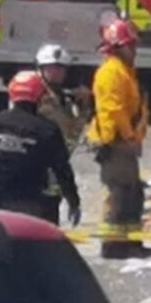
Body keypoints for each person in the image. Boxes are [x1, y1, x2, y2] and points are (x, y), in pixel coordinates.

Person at [0, 71, 82, 226]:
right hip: (30, 204)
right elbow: (63, 171)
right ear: (40, 97)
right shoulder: (47, 130)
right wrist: (73, 203)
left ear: (11, 94)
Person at [89, 18, 151, 260]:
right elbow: (114, 110)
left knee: (132, 193)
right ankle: (113, 244)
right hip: (117, 142)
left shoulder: (123, 70)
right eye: (130, 46)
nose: (134, 50)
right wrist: (129, 137)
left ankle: (129, 243)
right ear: (117, 47)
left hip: (123, 142)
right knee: (118, 193)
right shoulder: (111, 73)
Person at [34, 43, 91, 220]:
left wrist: (84, 106)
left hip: (56, 168)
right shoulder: (38, 96)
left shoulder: (63, 99)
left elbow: (73, 132)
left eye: (60, 69)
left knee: (51, 210)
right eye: (51, 68)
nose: (57, 73)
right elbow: (67, 127)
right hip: (37, 170)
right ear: (41, 69)